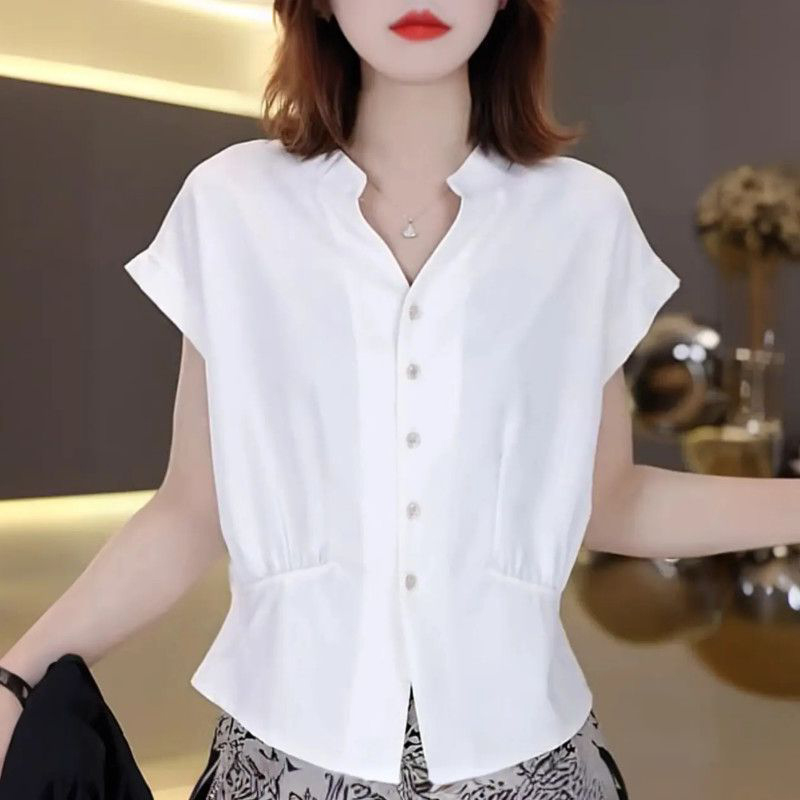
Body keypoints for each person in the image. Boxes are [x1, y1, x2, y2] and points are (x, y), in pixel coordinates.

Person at [2, 1, 798, 797]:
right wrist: (17, 677)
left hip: (534, 765)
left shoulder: (582, 216)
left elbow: (610, 500)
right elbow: (189, 508)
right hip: (279, 764)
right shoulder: (232, 203)